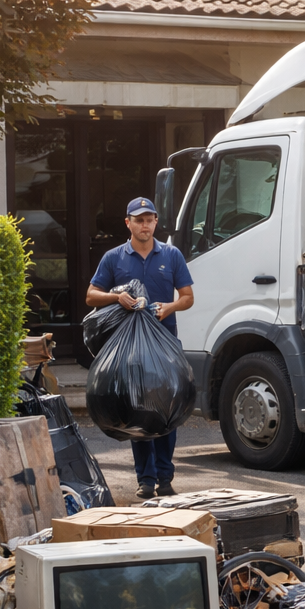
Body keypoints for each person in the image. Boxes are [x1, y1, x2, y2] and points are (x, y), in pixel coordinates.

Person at [86, 196, 194, 499]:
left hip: (165, 346)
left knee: (167, 407)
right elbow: (91, 296)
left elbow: (187, 297)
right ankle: (145, 479)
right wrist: (116, 297)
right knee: (137, 409)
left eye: (149, 220)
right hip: (131, 351)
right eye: (139, 220)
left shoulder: (171, 255)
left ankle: (165, 477)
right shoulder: (113, 258)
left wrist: (169, 307)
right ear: (128, 223)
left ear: (156, 222)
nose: (144, 225)